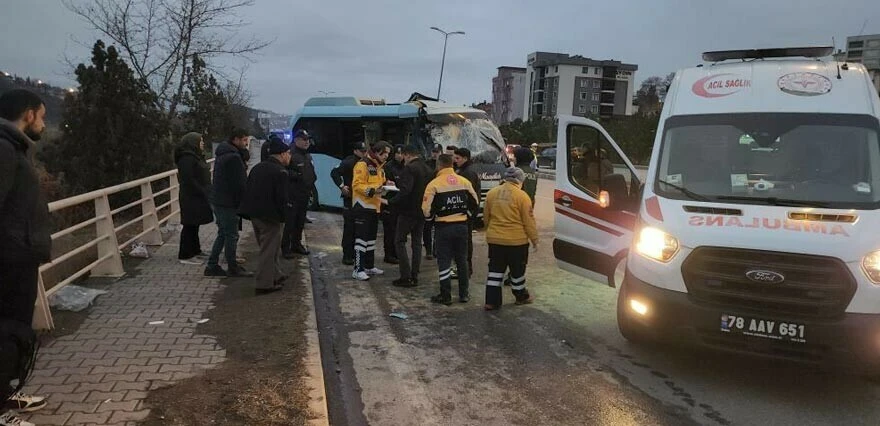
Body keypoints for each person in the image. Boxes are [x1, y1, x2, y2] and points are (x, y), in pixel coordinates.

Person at [0, 89, 50, 424]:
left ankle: (5, 392)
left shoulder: (12, 148)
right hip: (9, 260)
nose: (44, 124)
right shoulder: (4, 150)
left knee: (13, 331)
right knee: (7, 333)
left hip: (18, 255)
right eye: (42, 117)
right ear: (28, 114)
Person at [422, 154, 479, 305]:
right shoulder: (464, 181)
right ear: (452, 164)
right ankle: (464, 294)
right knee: (462, 260)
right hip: (462, 226)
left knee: (444, 261)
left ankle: (445, 295)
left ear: (438, 166)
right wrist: (466, 216)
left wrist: (431, 219)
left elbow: (426, 209)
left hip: (443, 227)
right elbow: (475, 202)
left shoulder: (434, 184)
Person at [239, 138, 291, 295]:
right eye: (288, 153)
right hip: (271, 217)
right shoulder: (280, 172)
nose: (290, 156)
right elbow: (281, 198)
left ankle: (276, 274)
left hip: (255, 214)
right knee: (269, 250)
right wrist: (284, 217)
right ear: (282, 154)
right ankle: (264, 284)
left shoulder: (257, 168)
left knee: (268, 248)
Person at [483, 167, 538, 310]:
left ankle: (491, 301)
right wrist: (534, 239)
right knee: (517, 271)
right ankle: (521, 296)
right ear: (520, 180)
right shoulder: (522, 196)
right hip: (517, 241)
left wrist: (491, 231)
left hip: (495, 240)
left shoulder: (491, 193)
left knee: (495, 271)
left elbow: (486, 217)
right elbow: (528, 221)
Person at [205, 128, 254, 277]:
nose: (246, 143)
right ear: (236, 139)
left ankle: (212, 265)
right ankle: (232, 267)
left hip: (220, 200)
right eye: (244, 140)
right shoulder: (233, 158)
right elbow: (239, 184)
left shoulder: (223, 154)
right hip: (228, 202)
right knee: (231, 235)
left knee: (223, 233)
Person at [388, 145, 432, 287]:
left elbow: (405, 190)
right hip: (422, 211)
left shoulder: (410, 169)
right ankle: (415, 274)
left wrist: (391, 201)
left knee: (399, 241)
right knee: (417, 243)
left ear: (407, 155)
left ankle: (405, 276)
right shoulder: (428, 169)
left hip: (407, 211)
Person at [351, 141, 393, 280]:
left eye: (388, 153)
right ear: (376, 152)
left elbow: (379, 183)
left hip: (375, 207)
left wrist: (387, 185)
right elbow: (357, 185)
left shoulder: (380, 167)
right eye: (384, 153)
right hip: (362, 206)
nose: (386, 156)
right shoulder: (362, 164)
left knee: (370, 240)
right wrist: (374, 190)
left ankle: (369, 266)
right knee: (361, 239)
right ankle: (357, 269)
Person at [175, 132, 213, 265]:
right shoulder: (186, 158)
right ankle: (185, 255)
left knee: (195, 224)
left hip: (197, 196)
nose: (202, 143)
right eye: (200, 141)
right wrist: (202, 190)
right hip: (190, 196)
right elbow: (188, 179)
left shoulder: (196, 156)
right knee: (189, 225)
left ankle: (196, 250)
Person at [330, 141, 367, 265]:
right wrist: (341, 186)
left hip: (361, 199)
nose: (364, 153)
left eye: (365, 151)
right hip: (350, 199)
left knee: (359, 229)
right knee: (349, 228)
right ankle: (347, 255)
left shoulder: (366, 163)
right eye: (362, 151)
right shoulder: (349, 162)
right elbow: (334, 172)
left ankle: (356, 254)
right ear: (355, 151)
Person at [282, 129, 315, 258]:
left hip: (304, 193)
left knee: (300, 221)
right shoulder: (290, 154)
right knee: (290, 222)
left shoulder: (307, 155)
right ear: (296, 140)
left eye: (308, 140)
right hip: (293, 194)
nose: (307, 142)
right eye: (304, 139)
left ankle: (296, 244)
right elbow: (283, 171)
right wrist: (296, 175)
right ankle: (286, 247)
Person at [452, 147, 482, 278]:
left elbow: (470, 195)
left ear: (465, 158)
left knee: (464, 243)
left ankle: (465, 269)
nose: (455, 160)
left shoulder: (468, 173)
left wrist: (469, 212)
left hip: (465, 214)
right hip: (465, 213)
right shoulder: (464, 171)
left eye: (457, 158)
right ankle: (463, 268)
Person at [381, 145, 405, 264]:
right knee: (390, 231)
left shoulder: (407, 166)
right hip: (389, 202)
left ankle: (397, 253)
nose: (400, 156)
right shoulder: (388, 166)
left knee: (399, 231)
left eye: (402, 153)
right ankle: (389, 254)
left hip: (401, 203)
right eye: (397, 153)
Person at [423, 143, 442, 260]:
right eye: (433, 152)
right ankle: (429, 250)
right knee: (427, 226)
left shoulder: (443, 165)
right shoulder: (426, 164)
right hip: (429, 197)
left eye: (437, 152)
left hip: (439, 198)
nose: (435, 154)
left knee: (438, 226)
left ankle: (436, 248)